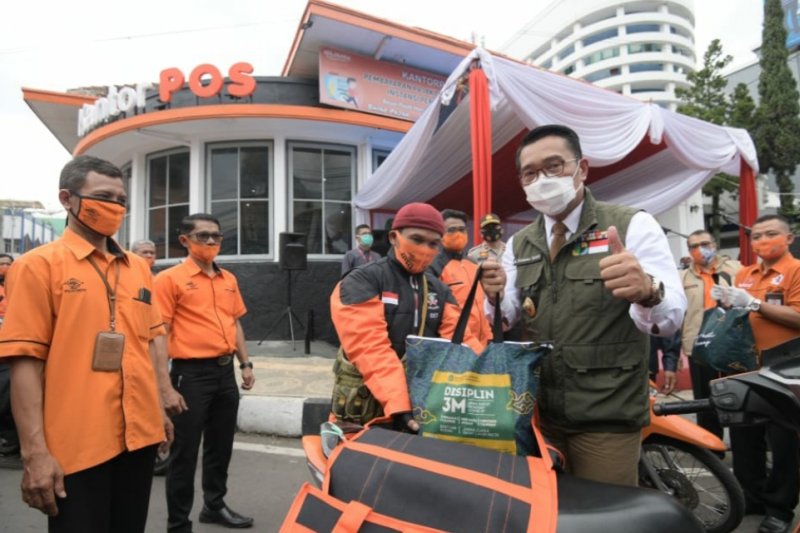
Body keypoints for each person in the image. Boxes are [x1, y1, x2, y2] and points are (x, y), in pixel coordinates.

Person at [480, 124, 686, 487]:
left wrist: (647, 291)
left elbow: (670, 319)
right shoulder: (519, 244)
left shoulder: (631, 225)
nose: (542, 178)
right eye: (530, 172)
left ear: (582, 168)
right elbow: (508, 316)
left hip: (606, 414)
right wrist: (493, 296)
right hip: (539, 414)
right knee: (549, 515)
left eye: (554, 166)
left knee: (605, 518)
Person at [0, 155, 172, 532]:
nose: (115, 207)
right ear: (67, 198)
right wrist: (35, 454)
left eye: (121, 199)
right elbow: (24, 363)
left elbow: (149, 342)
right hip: (77, 446)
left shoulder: (138, 268)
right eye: (103, 196)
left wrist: (159, 404)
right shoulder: (37, 267)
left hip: (139, 438)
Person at [330, 202, 482, 432]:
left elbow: (464, 343)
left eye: (433, 243)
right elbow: (369, 347)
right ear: (393, 236)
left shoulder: (440, 291)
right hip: (366, 411)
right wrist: (399, 405)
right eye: (417, 239)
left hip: (422, 409)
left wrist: (493, 382)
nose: (424, 249)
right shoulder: (361, 281)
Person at [154, 213, 255, 532]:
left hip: (225, 375)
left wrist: (246, 363)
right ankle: (178, 523)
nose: (211, 242)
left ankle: (214, 506)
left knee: (220, 446)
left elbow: (234, 322)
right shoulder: (167, 280)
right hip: (189, 375)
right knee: (184, 453)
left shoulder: (228, 280)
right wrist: (164, 388)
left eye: (216, 236)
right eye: (203, 236)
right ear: (184, 240)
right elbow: (159, 334)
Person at [712, 214, 800, 533]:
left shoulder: (796, 270)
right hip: (746, 367)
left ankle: (780, 507)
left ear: (789, 238)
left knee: (783, 442)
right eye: (757, 236)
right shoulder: (746, 273)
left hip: (785, 370)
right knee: (744, 435)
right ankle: (752, 495)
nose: (762, 241)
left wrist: (753, 304)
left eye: (771, 234)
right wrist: (725, 303)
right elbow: (740, 316)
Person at [680, 229, 741, 438]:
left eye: (704, 244)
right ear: (689, 250)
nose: (700, 250)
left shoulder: (736, 270)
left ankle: (742, 447)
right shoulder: (682, 277)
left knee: (736, 395)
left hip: (732, 345)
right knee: (705, 401)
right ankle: (711, 447)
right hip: (699, 346)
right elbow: (679, 314)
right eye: (694, 246)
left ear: (714, 245)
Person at [429, 209, 491, 349]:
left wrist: (490, 340)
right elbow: (447, 319)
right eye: (451, 230)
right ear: (440, 234)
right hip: (459, 347)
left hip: (484, 344)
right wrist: (475, 349)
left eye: (462, 229)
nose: (458, 234)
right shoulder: (433, 267)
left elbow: (483, 307)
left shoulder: (473, 264)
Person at [0, 253, 19, 457]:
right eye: (2, 264)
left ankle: (12, 438)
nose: (5, 267)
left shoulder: (18, 284)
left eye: (8, 264)